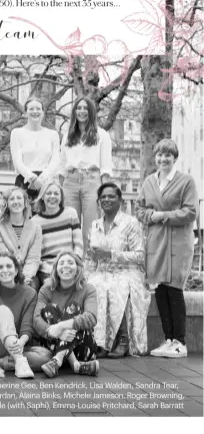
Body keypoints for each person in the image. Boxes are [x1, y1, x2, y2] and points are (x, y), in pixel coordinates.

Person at [136, 139, 199, 359]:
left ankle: (181, 341)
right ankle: (168, 339)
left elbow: (191, 212)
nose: (163, 159)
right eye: (159, 155)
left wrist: (165, 216)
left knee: (174, 288)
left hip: (178, 241)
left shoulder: (186, 181)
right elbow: (140, 209)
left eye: (168, 155)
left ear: (175, 158)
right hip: (156, 240)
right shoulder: (149, 182)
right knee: (161, 289)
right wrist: (150, 216)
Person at [85, 182, 150, 358]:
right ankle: (100, 343)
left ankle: (123, 340)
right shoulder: (95, 225)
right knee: (92, 285)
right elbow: (90, 257)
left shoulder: (131, 223)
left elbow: (139, 256)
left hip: (127, 271)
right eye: (103, 197)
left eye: (111, 196)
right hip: (102, 271)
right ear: (98, 201)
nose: (107, 199)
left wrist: (111, 254)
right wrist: (85, 275)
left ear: (120, 200)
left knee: (116, 286)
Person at [33, 251, 99, 378]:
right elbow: (36, 319)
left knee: (73, 308)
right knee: (49, 309)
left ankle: (58, 359)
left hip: (83, 349)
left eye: (70, 262)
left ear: (78, 268)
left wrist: (61, 326)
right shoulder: (46, 290)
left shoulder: (88, 289)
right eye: (61, 263)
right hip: (51, 344)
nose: (65, 266)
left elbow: (91, 317)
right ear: (56, 269)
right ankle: (76, 365)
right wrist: (51, 331)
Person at [59, 96, 113, 250]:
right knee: (70, 224)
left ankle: (89, 265)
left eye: (85, 108)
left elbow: (106, 166)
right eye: (78, 108)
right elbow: (62, 165)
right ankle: (71, 264)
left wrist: (106, 191)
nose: (81, 111)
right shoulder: (68, 136)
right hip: (70, 181)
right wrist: (60, 188)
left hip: (92, 181)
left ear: (91, 112)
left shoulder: (102, 135)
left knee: (91, 226)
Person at [31, 181, 83, 287]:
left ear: (61, 197)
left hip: (70, 263)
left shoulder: (71, 214)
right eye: (48, 193)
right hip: (47, 268)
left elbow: (79, 245)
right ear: (42, 197)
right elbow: (36, 254)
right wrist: (52, 269)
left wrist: (72, 263)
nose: (52, 196)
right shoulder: (35, 222)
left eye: (56, 193)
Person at [10, 97, 60, 203]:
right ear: (25, 112)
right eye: (31, 109)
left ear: (43, 112)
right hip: (23, 181)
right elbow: (17, 162)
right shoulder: (16, 133)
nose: (35, 112)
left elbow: (55, 161)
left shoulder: (53, 135)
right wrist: (32, 178)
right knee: (23, 217)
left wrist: (41, 180)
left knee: (45, 217)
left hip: (46, 183)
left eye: (38, 109)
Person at [0, 187, 42, 291]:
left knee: (30, 288)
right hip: (6, 270)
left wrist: (25, 276)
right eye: (12, 199)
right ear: (7, 204)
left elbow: (34, 258)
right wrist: (14, 275)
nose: (16, 201)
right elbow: (2, 253)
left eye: (19, 198)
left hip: (29, 274)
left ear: (25, 203)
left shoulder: (36, 228)